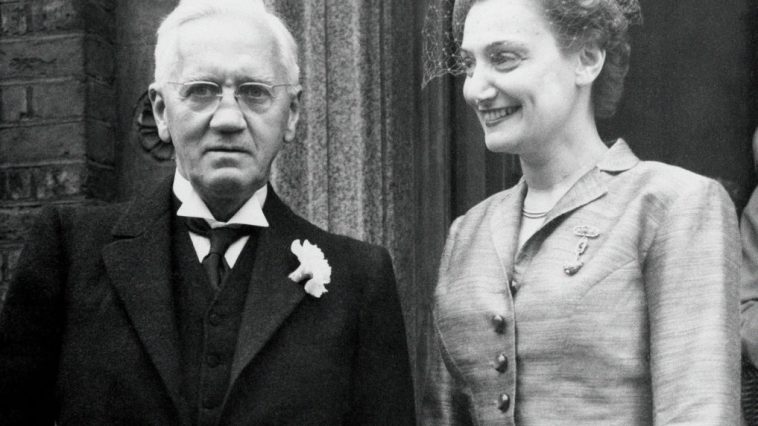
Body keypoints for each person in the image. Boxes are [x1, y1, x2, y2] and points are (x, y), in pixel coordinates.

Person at [0, 0, 415, 424]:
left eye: (255, 92)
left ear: (291, 114)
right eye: (201, 90)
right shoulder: (70, 254)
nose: (228, 119)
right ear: (162, 111)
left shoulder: (359, 280)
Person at [421, 0, 740, 424]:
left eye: (504, 58)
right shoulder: (467, 233)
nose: (475, 89)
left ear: (587, 59)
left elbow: (699, 414)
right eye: (469, 64)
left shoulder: (672, 205)